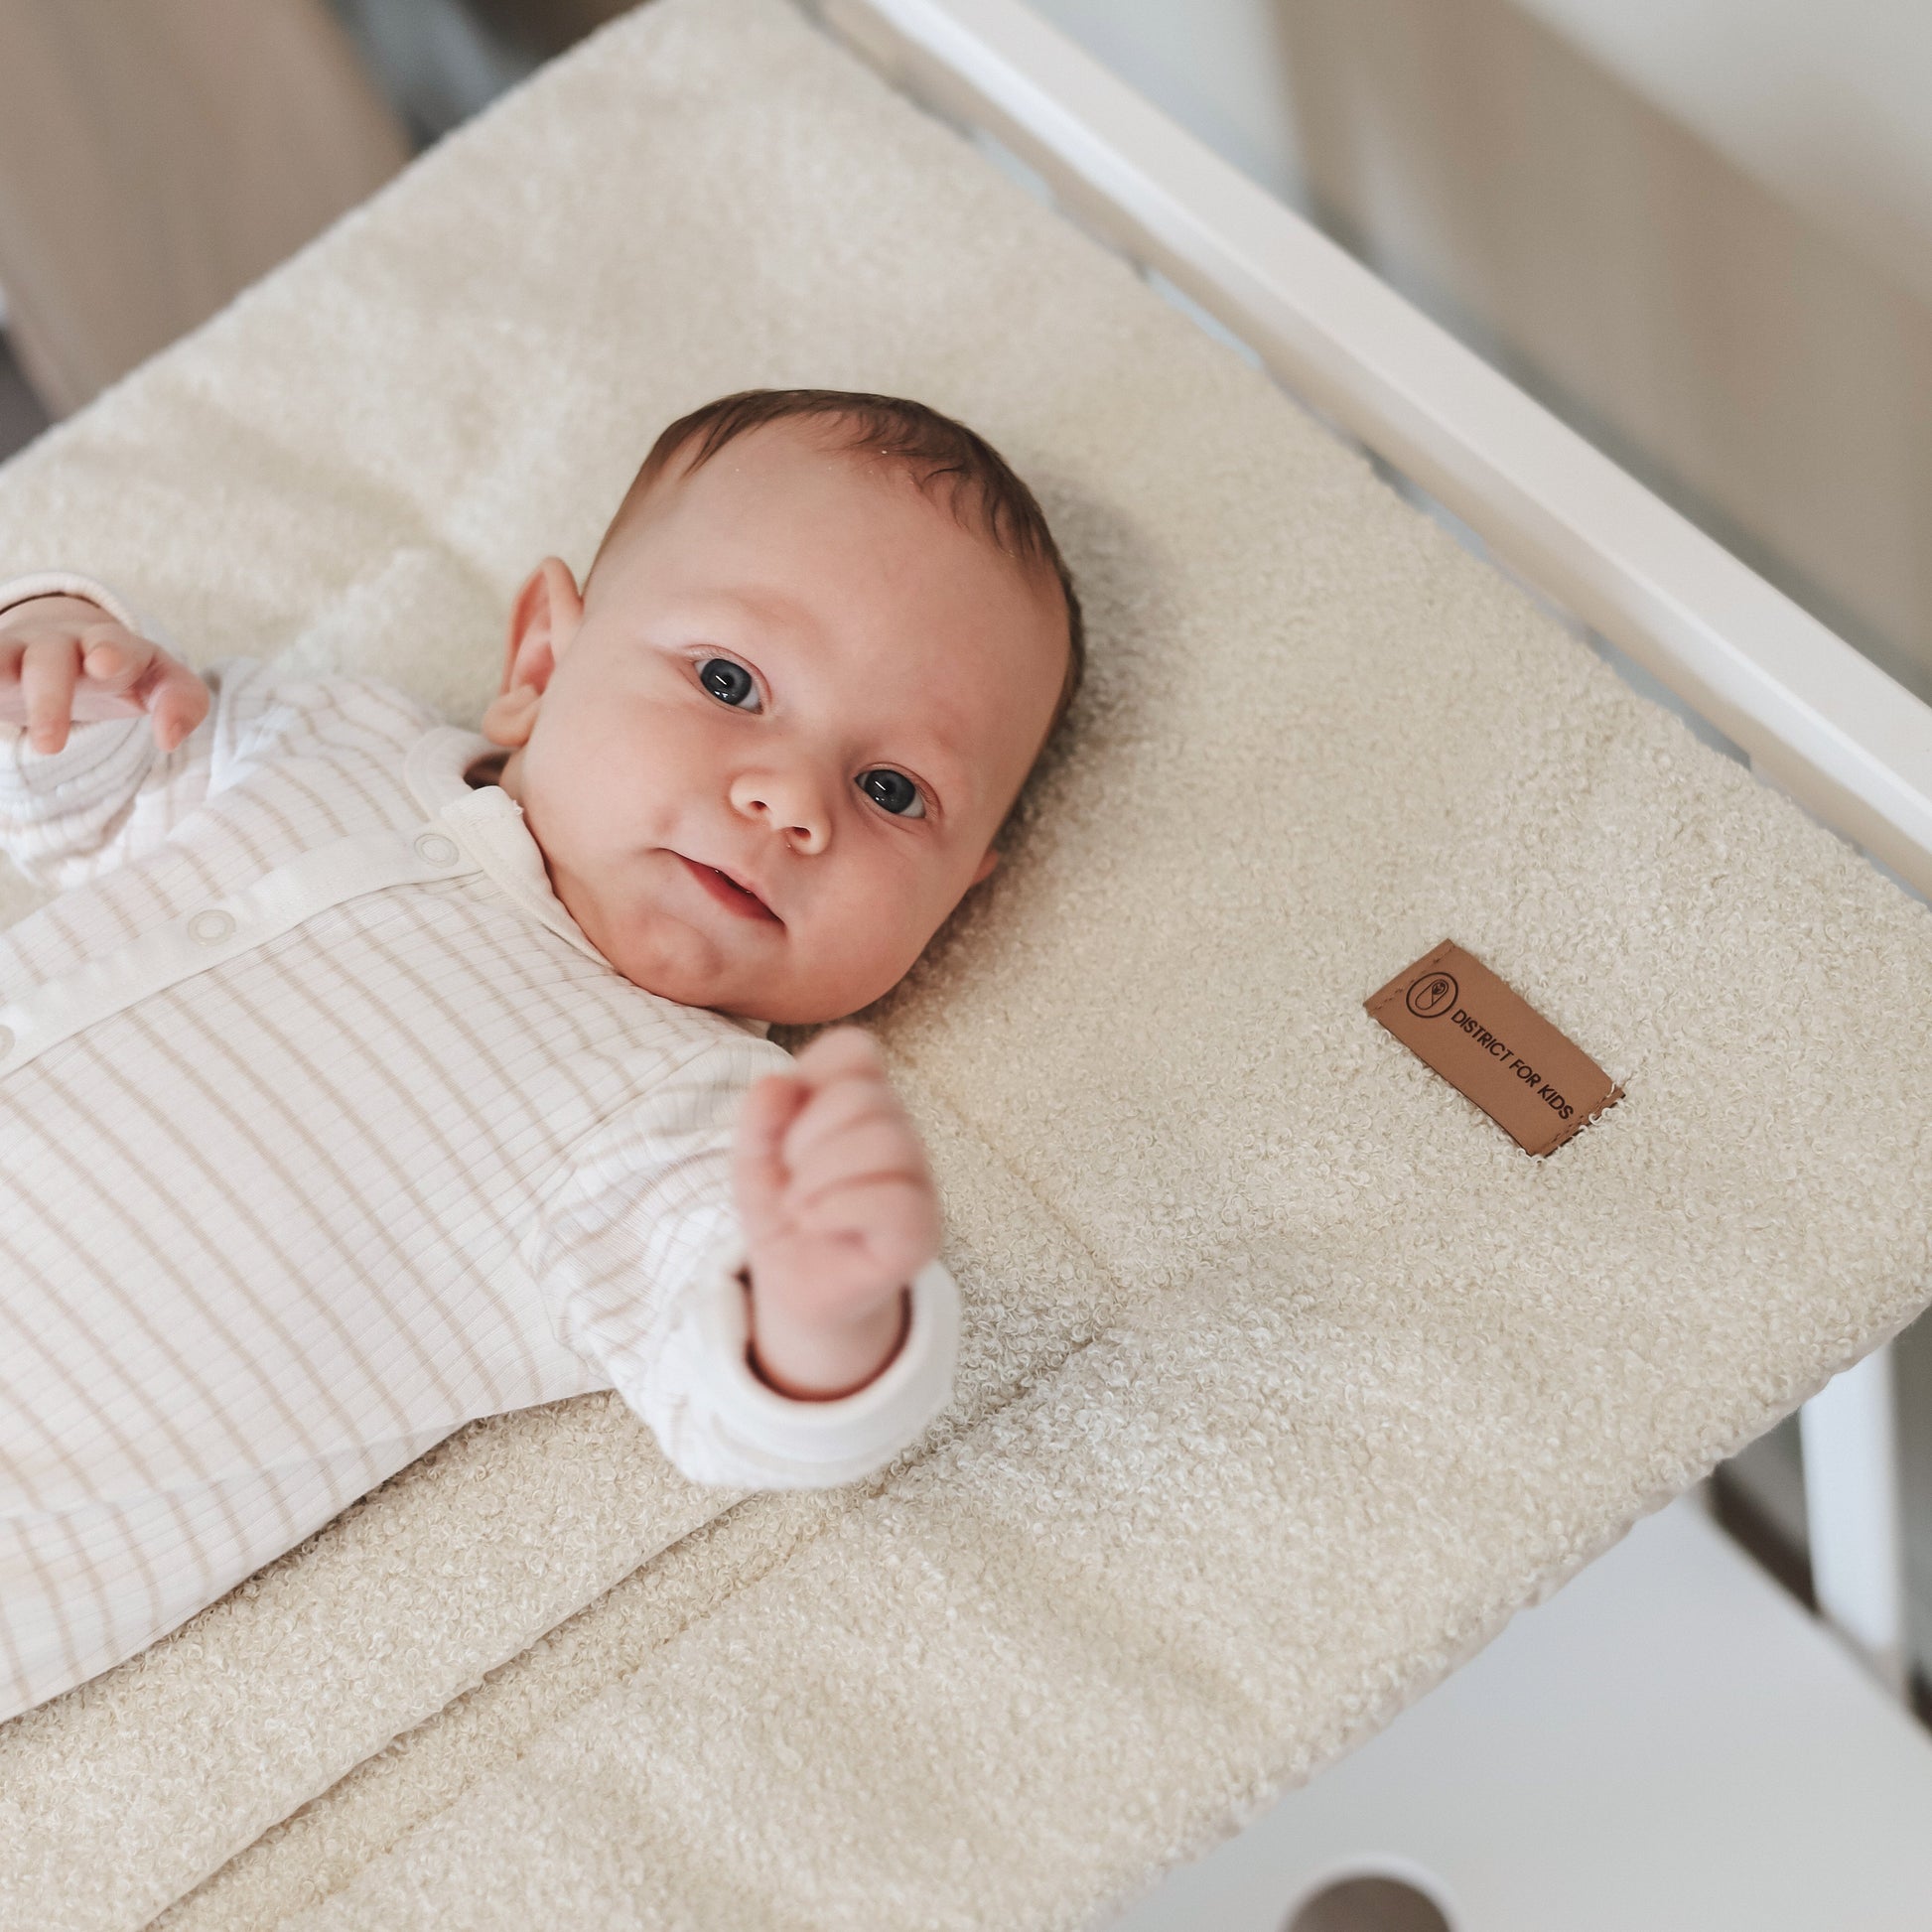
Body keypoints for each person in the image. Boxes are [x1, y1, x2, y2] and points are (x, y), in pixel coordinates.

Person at [0, 387, 1083, 1720]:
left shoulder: (687, 1118)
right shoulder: (336, 739)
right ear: (541, 661)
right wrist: (52, 654)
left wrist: (829, 1309)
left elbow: (734, 1381)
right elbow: (88, 787)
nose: (790, 799)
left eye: (893, 791)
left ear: (957, 898)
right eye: (730, 683)